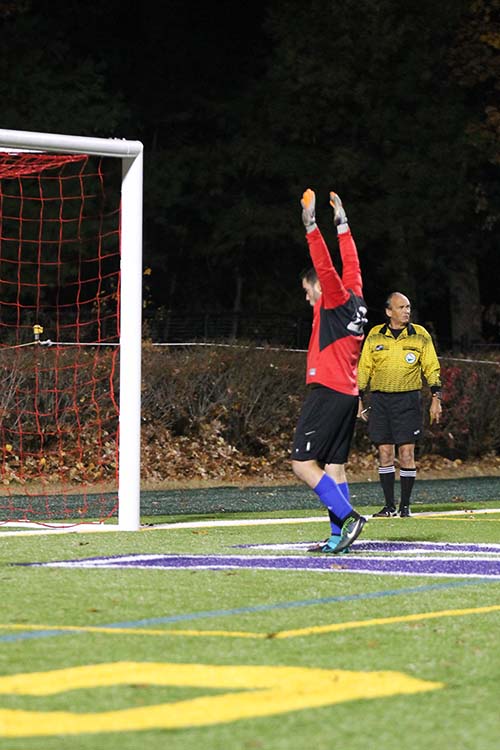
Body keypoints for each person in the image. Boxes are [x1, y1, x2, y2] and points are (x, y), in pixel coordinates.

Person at [291, 188, 368, 554]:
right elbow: (351, 265)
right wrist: (343, 225)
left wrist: (311, 226)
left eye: (308, 292)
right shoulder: (356, 297)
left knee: (303, 464)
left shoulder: (334, 298)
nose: (308, 298)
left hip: (329, 391)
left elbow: (326, 266)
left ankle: (349, 517)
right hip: (348, 395)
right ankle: (339, 537)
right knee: (335, 468)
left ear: (321, 289)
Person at [357, 292, 442, 517]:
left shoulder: (420, 335)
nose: (407, 311)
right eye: (401, 307)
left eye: (408, 307)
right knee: (385, 453)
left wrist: (436, 397)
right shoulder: (375, 335)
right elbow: (364, 368)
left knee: (406, 453)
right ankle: (388, 506)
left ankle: (405, 506)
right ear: (388, 312)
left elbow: (431, 367)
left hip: (408, 400)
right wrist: (357, 397)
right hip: (380, 400)